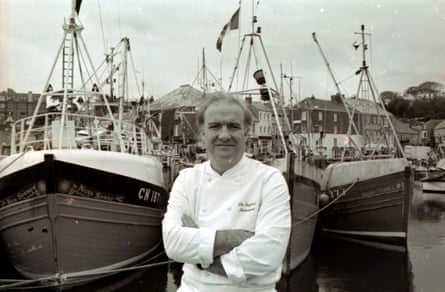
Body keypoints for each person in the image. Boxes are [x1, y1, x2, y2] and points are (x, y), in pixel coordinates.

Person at [162, 92, 291, 291]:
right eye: (215, 126)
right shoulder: (187, 179)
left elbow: (269, 254)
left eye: (233, 126)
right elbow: (173, 244)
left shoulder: (269, 180)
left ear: (246, 132)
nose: (224, 135)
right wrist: (238, 238)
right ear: (203, 133)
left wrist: (200, 255)